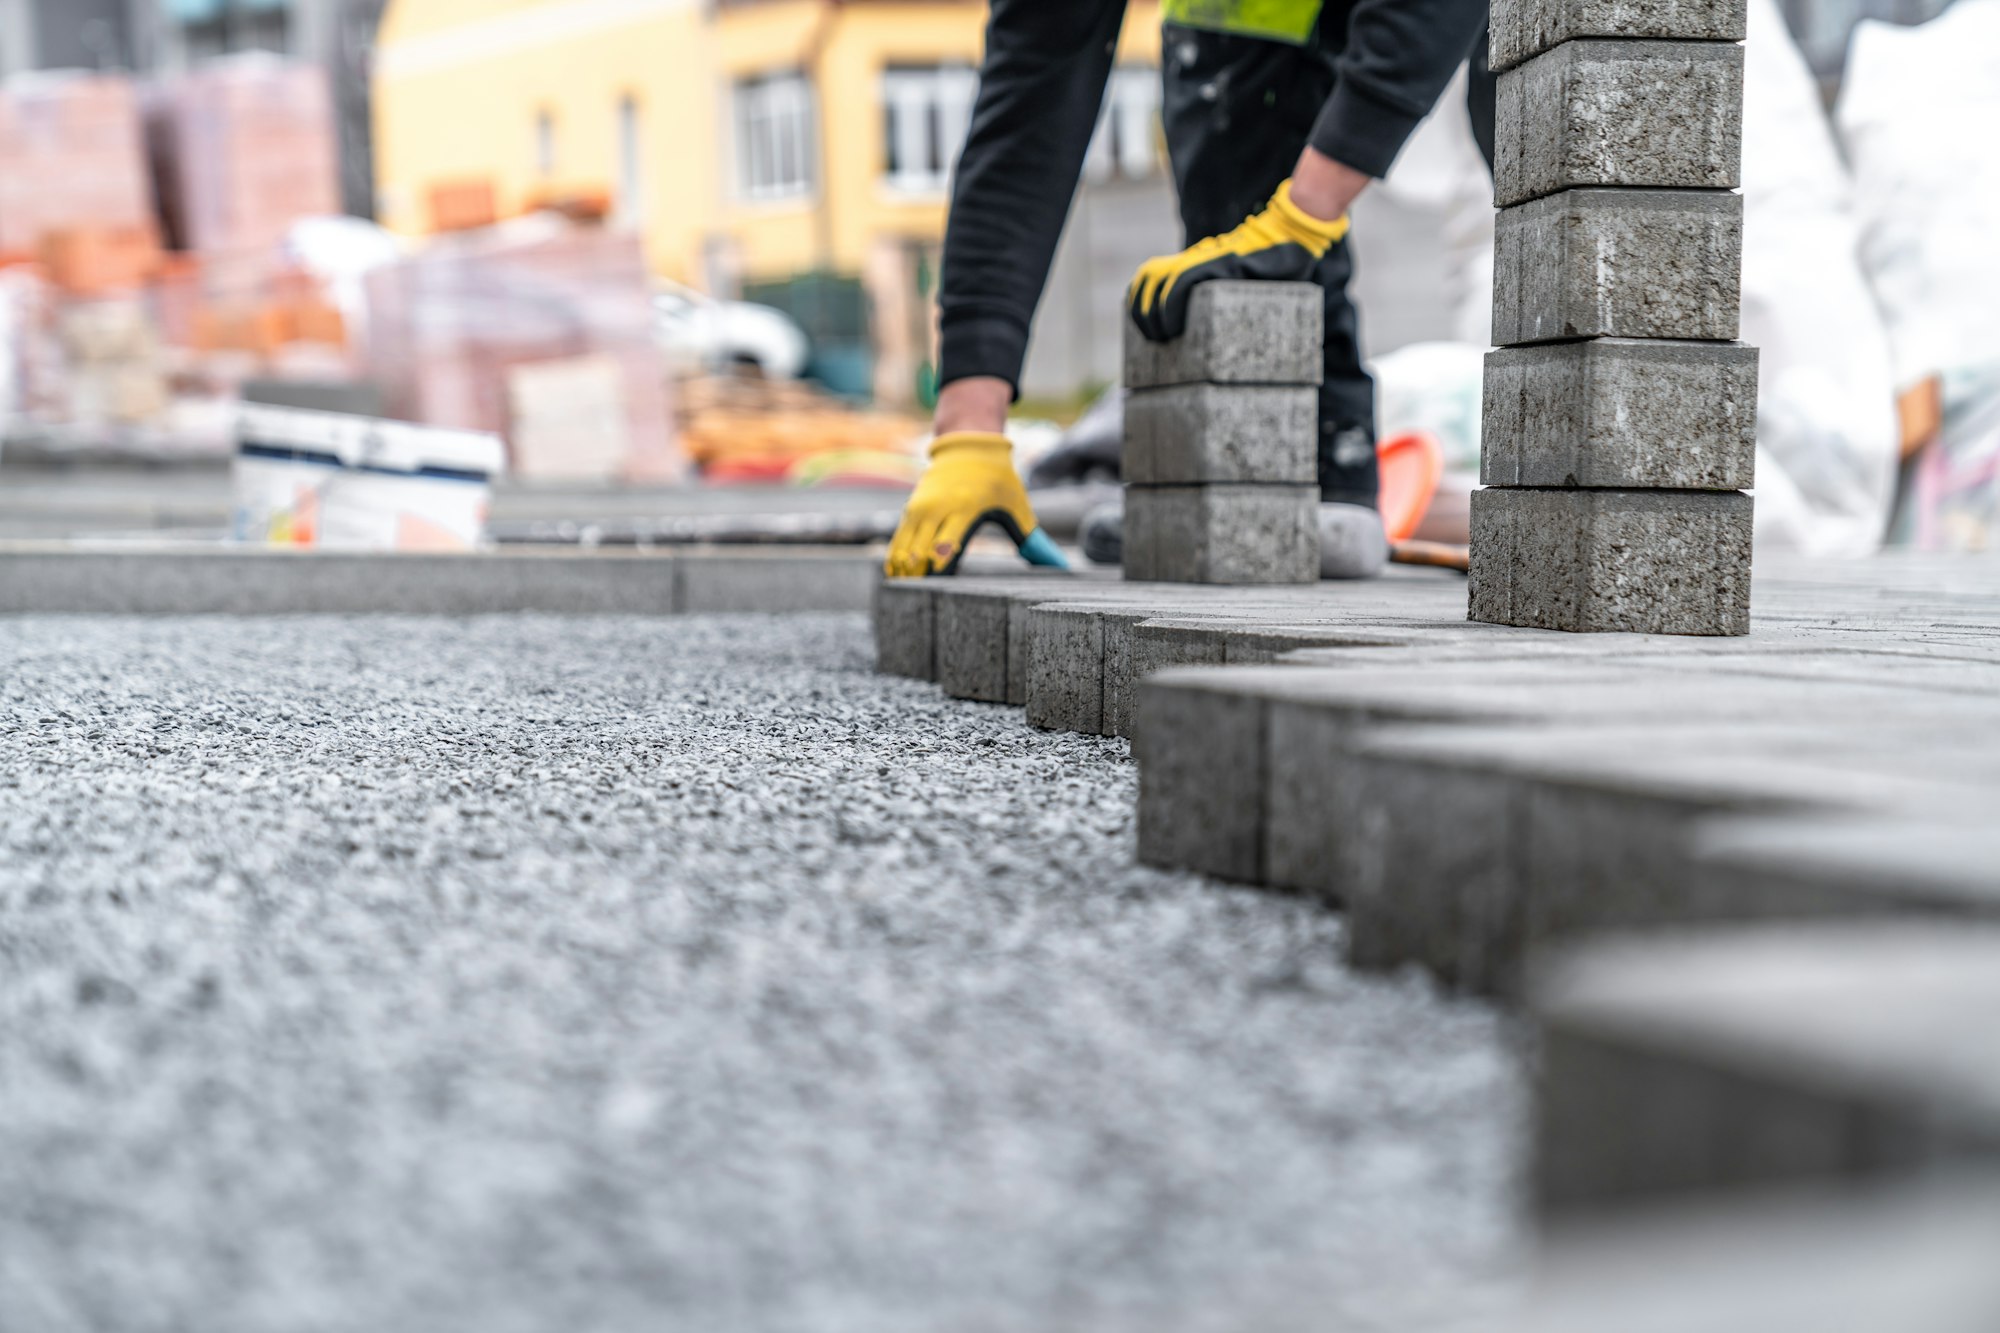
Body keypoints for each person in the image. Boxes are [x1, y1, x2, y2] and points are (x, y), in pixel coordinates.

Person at [883, 0, 1491, 580]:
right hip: (1247, 30)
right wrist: (969, 430)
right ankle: (1312, 471)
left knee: (1545, 101)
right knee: (1242, 250)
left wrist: (1305, 213)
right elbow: (1029, 104)